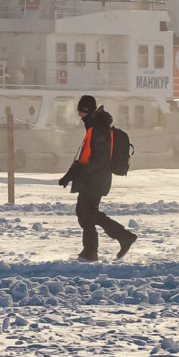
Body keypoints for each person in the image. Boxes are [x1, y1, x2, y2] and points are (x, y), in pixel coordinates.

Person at [58, 95, 137, 262]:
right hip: (93, 178)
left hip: (95, 180)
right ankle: (91, 251)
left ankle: (121, 237)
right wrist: (69, 175)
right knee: (84, 213)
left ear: (87, 111)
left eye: (81, 111)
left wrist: (76, 174)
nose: (79, 115)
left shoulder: (98, 129)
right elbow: (84, 157)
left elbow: (96, 161)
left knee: (88, 212)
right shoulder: (94, 127)